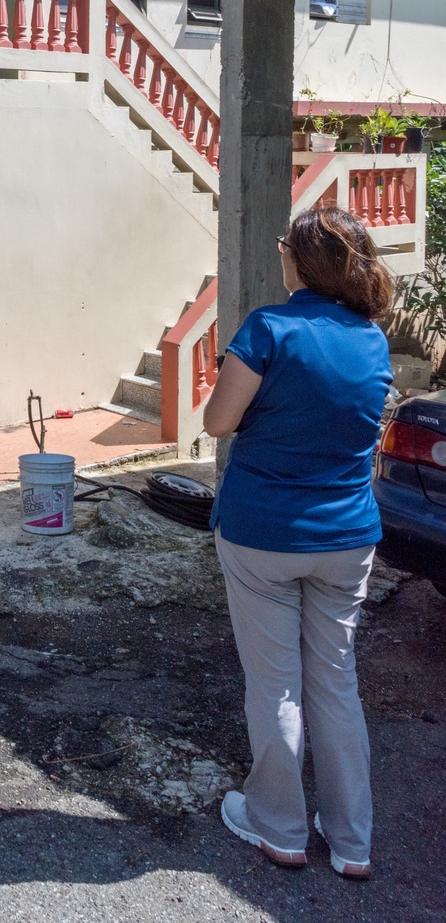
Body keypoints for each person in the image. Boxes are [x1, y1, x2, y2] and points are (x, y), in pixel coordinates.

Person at [203, 206, 394, 881]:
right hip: (347, 535)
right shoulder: (372, 338)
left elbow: (218, 420)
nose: (279, 249)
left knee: (276, 685)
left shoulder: (269, 329)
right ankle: (352, 842)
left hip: (264, 534)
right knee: (336, 682)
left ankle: (279, 828)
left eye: (286, 243)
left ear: (299, 261)